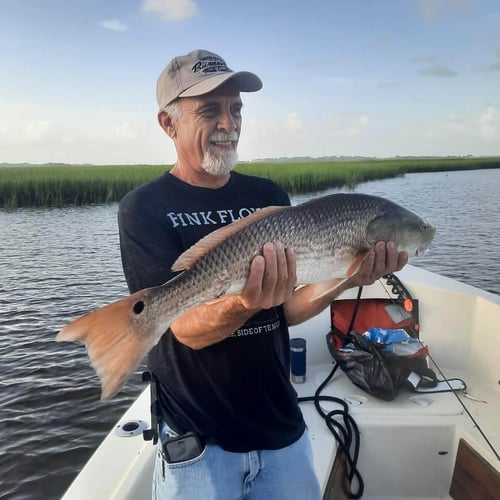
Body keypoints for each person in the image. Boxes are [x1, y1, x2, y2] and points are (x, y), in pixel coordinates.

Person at [118, 49, 408, 500]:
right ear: (168, 124)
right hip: (200, 443)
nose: (228, 124)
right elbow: (185, 331)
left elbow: (287, 311)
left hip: (281, 430)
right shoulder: (145, 208)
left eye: (236, 109)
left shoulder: (268, 194)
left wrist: (350, 277)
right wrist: (243, 301)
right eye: (210, 110)